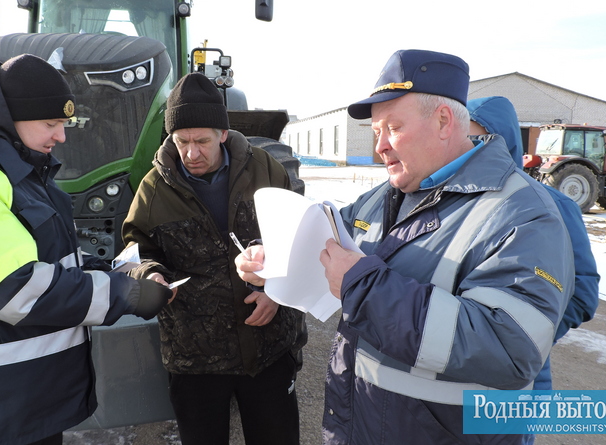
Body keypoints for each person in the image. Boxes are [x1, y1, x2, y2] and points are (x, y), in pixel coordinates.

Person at [236, 49, 574, 444]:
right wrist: (272, 257)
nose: (380, 146)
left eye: (393, 128)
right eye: (376, 132)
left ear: (444, 121)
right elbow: (326, 240)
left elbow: (510, 348)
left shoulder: (522, 214)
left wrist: (366, 288)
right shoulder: (382, 197)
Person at [0, 54, 172, 445]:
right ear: (8, 118)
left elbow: (57, 263)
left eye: (63, 123)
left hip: (23, 403)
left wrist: (123, 271)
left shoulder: (16, 177)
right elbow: (16, 290)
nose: (61, 136)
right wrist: (125, 293)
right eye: (50, 123)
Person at [121, 72, 307, 445]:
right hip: (196, 359)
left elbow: (300, 237)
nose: (191, 153)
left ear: (223, 133)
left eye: (202, 141)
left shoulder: (266, 169)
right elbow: (134, 251)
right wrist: (151, 274)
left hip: (268, 350)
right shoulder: (154, 189)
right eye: (181, 141)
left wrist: (277, 290)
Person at [468, 96, 600, 445]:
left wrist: (521, 336)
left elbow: (582, 293)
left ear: (501, 140)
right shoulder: (456, 201)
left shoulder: (552, 205)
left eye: (474, 138)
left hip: (513, 383)